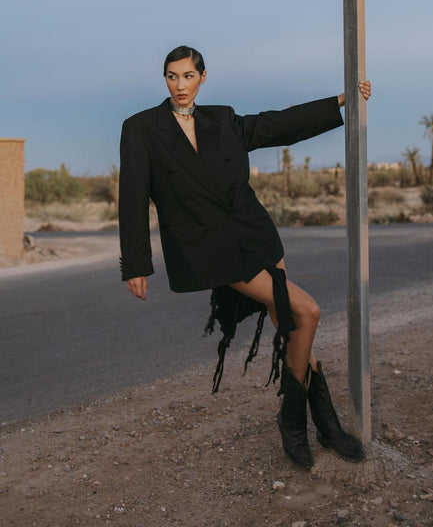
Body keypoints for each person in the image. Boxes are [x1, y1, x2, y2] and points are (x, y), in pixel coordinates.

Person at [119, 45, 371, 470]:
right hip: (208, 249)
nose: (180, 85)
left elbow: (279, 124)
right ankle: (293, 422)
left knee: (291, 327)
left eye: (187, 76)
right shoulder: (142, 128)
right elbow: (132, 198)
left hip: (255, 236)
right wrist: (136, 264)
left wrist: (341, 99)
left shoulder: (224, 118)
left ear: (202, 77)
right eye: (171, 76)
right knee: (307, 312)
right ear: (165, 80)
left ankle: (327, 426)